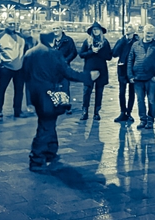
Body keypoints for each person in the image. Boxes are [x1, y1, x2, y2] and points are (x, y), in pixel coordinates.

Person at [23, 31, 100, 173]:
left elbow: (26, 77)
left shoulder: (29, 53)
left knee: (48, 123)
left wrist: (29, 100)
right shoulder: (53, 54)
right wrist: (88, 76)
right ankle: (36, 159)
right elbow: (68, 73)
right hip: (49, 94)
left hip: (36, 94)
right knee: (45, 126)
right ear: (52, 41)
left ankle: (51, 151)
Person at [127, 23, 155, 130]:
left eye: (151, 33)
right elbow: (130, 60)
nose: (149, 35)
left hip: (151, 78)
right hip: (138, 78)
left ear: (154, 34)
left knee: (151, 100)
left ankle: (150, 120)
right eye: (147, 33)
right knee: (140, 100)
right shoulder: (135, 45)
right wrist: (130, 75)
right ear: (143, 33)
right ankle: (142, 120)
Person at [0, 18, 27, 119]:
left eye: (14, 23)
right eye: (10, 23)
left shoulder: (21, 37)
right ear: (5, 24)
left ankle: (18, 110)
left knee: (19, 90)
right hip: (5, 67)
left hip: (20, 68)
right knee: (1, 88)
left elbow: (26, 50)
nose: (12, 25)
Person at [79, 21, 112, 121]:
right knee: (87, 91)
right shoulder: (87, 41)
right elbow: (81, 54)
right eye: (94, 30)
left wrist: (100, 51)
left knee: (99, 91)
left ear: (100, 31)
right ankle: (85, 111)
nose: (96, 31)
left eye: (97, 29)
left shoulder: (105, 42)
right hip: (89, 69)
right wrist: (91, 51)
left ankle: (96, 112)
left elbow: (109, 57)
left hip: (101, 70)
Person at [112, 23, 138, 123]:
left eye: (130, 27)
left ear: (134, 30)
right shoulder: (122, 41)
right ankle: (122, 112)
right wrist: (122, 41)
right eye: (126, 27)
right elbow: (114, 53)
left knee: (132, 92)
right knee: (122, 91)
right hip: (122, 69)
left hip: (133, 69)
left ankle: (129, 112)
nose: (127, 29)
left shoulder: (137, 42)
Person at [52, 23, 78, 114]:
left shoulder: (68, 40)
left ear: (61, 29)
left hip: (64, 67)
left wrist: (66, 61)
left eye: (57, 28)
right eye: (54, 28)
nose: (55, 30)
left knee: (65, 86)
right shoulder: (51, 41)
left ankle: (66, 106)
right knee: (54, 86)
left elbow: (73, 52)